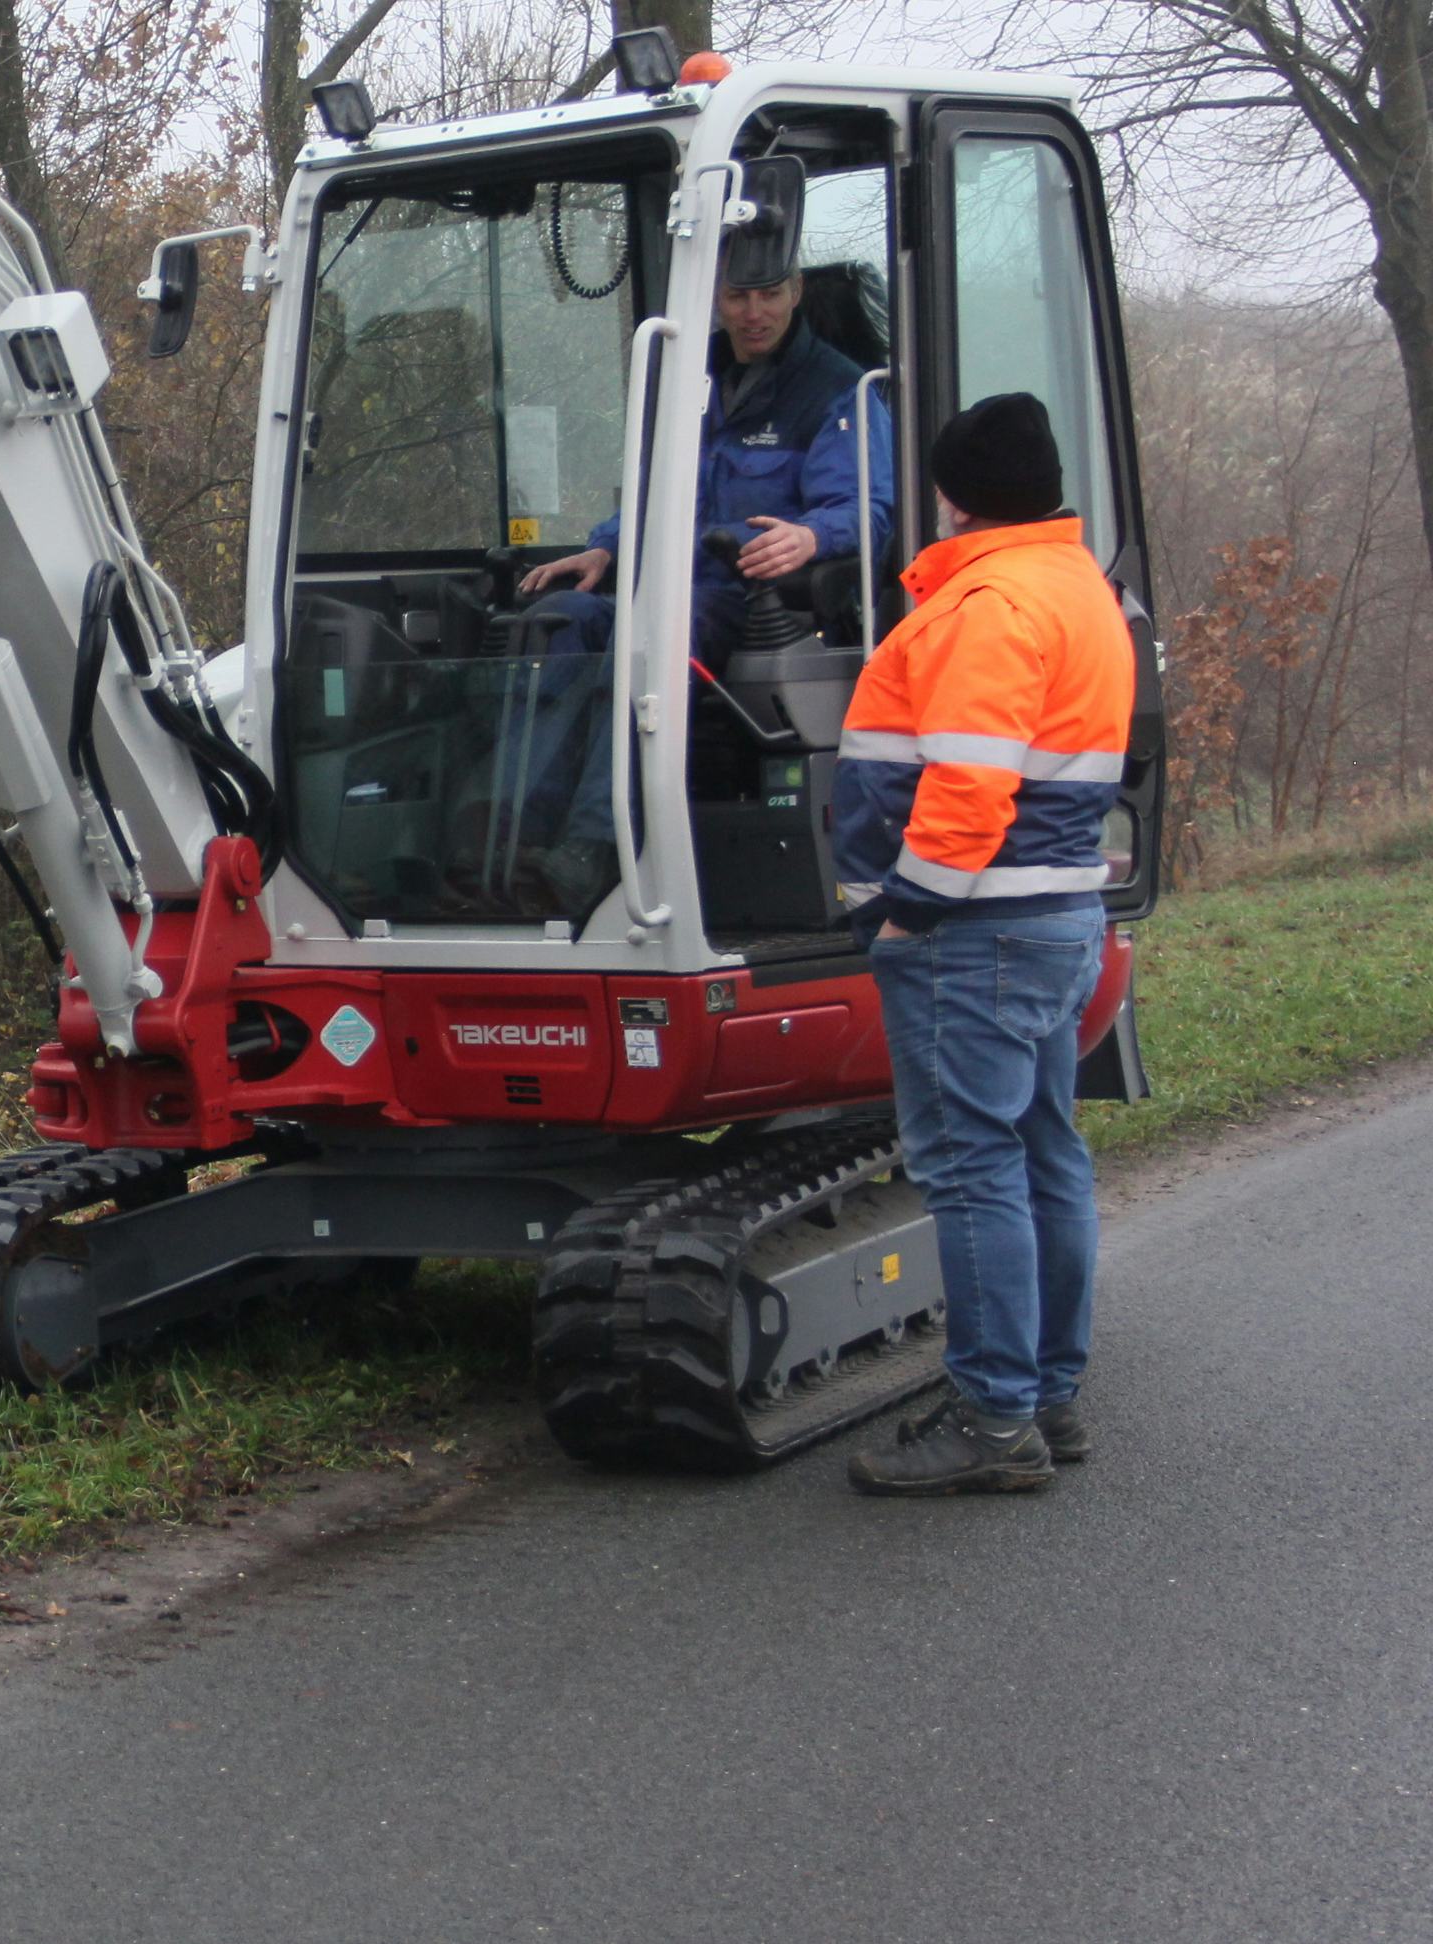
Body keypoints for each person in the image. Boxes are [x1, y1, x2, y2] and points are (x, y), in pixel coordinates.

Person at [832, 392, 1131, 1497]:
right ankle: (1045, 1394)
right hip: (1051, 920)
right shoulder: (1076, 585)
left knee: (972, 1170)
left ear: (956, 494)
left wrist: (908, 906)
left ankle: (996, 1417)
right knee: (1045, 1153)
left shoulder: (989, 604)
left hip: (977, 928)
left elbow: (968, 782)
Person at [500, 263, 897, 894]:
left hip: (755, 600)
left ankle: (597, 848)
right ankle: (514, 837)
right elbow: (656, 490)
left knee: (659, 635)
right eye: (740, 293)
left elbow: (867, 505)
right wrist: (604, 548)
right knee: (559, 621)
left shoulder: (836, 390)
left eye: (769, 292)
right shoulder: (688, 378)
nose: (754, 311)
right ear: (716, 297)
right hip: (665, 589)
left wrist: (811, 536)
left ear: (795, 292)